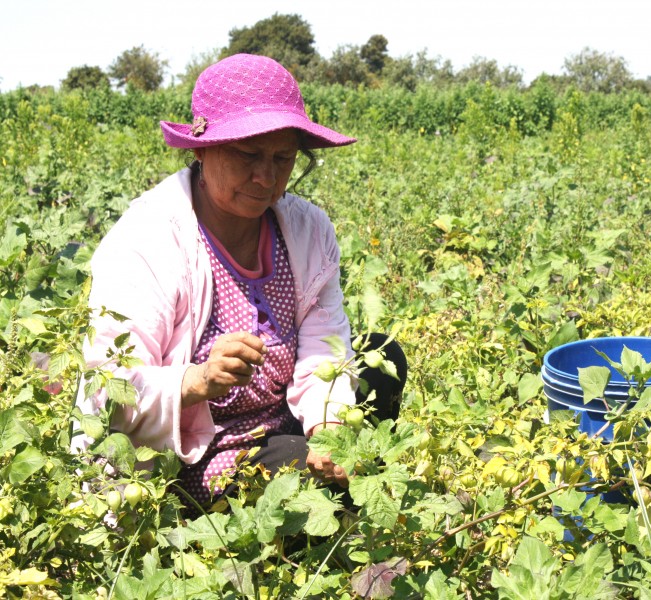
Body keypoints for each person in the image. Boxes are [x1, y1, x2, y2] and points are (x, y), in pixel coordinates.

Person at [77, 54, 406, 509]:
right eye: (248, 155)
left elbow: (324, 346)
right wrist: (196, 380)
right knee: (307, 482)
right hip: (196, 458)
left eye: (282, 158)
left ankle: (345, 483)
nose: (266, 177)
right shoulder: (147, 241)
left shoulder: (307, 231)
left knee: (379, 357)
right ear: (201, 149)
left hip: (284, 425)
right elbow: (107, 392)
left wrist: (330, 430)